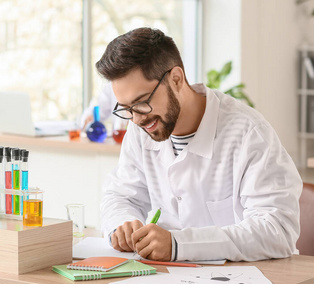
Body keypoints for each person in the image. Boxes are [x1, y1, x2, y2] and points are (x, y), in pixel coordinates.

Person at [97, 27, 302, 262]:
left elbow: (277, 230)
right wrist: (122, 223)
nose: (136, 118)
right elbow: (120, 195)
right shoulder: (142, 127)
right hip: (163, 279)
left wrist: (178, 244)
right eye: (126, 108)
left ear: (176, 79)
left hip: (240, 283)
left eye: (142, 102)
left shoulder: (249, 133)